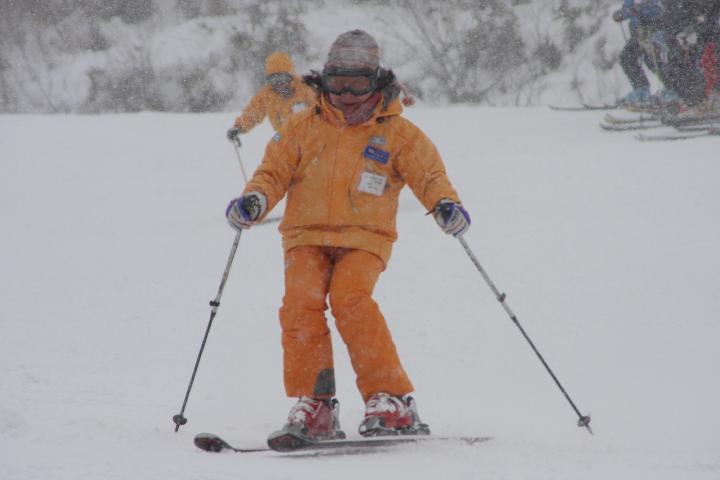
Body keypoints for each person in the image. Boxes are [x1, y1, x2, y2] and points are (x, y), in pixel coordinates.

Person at [224, 30, 470, 447]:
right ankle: (316, 403)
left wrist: (445, 204)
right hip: (305, 235)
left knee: (350, 300)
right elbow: (272, 172)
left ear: (376, 81)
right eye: (337, 84)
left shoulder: (397, 132)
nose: (346, 96)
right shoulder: (302, 126)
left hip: (365, 237)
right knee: (299, 305)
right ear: (324, 80)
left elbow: (430, 175)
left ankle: (390, 398)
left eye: (357, 85)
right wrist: (255, 199)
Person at [226, 52, 316, 143]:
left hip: (308, 134)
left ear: (290, 76)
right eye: (275, 80)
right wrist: (239, 127)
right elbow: (253, 112)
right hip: (282, 134)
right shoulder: (267, 94)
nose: (280, 83)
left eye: (283, 78)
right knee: (272, 147)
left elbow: (320, 109)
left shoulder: (303, 88)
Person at [612, 0, 665, 105]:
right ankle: (641, 89)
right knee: (627, 58)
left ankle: (672, 87)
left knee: (653, 60)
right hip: (638, 33)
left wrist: (641, 11)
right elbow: (627, 9)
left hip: (653, 31)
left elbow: (660, 9)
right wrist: (621, 14)